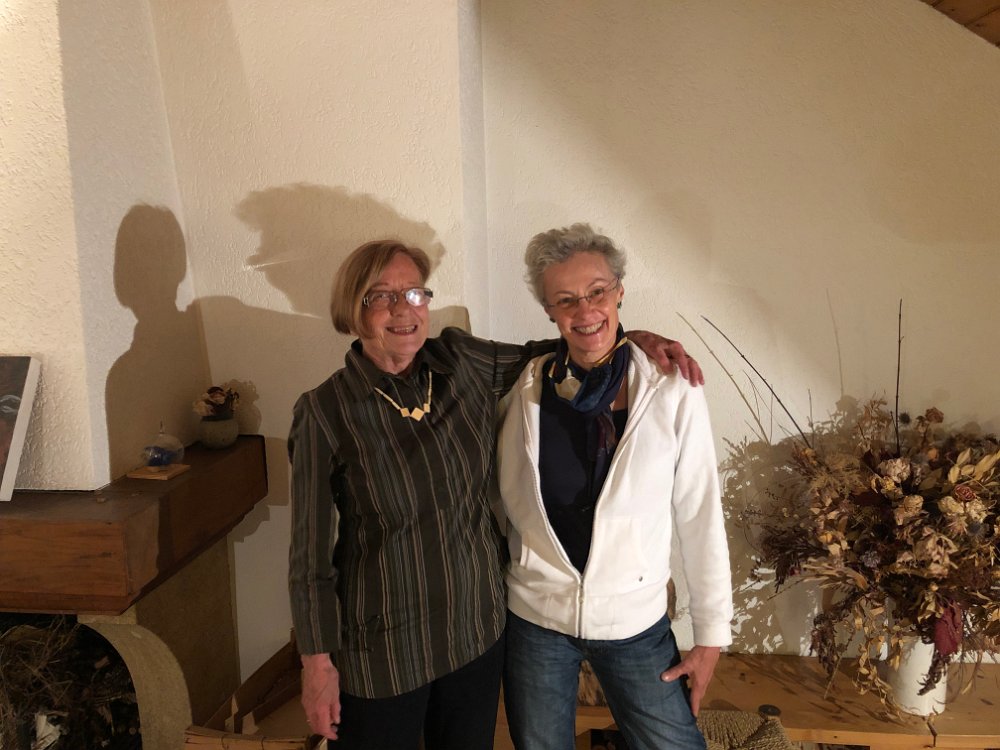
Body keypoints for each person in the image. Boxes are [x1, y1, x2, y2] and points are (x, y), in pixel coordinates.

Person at [288, 239, 702, 750]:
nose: (404, 310)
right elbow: (309, 560)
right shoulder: (324, 412)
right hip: (383, 649)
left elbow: (566, 346)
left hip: (475, 633)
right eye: (382, 297)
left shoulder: (461, 362)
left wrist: (630, 336)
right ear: (353, 309)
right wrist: (316, 663)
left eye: (415, 293)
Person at [497, 224, 733, 750]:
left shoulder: (671, 387)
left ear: (620, 291)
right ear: (549, 311)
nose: (585, 310)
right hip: (536, 622)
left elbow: (700, 513)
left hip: (635, 625)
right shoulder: (524, 386)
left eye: (597, 291)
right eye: (566, 299)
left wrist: (711, 636)